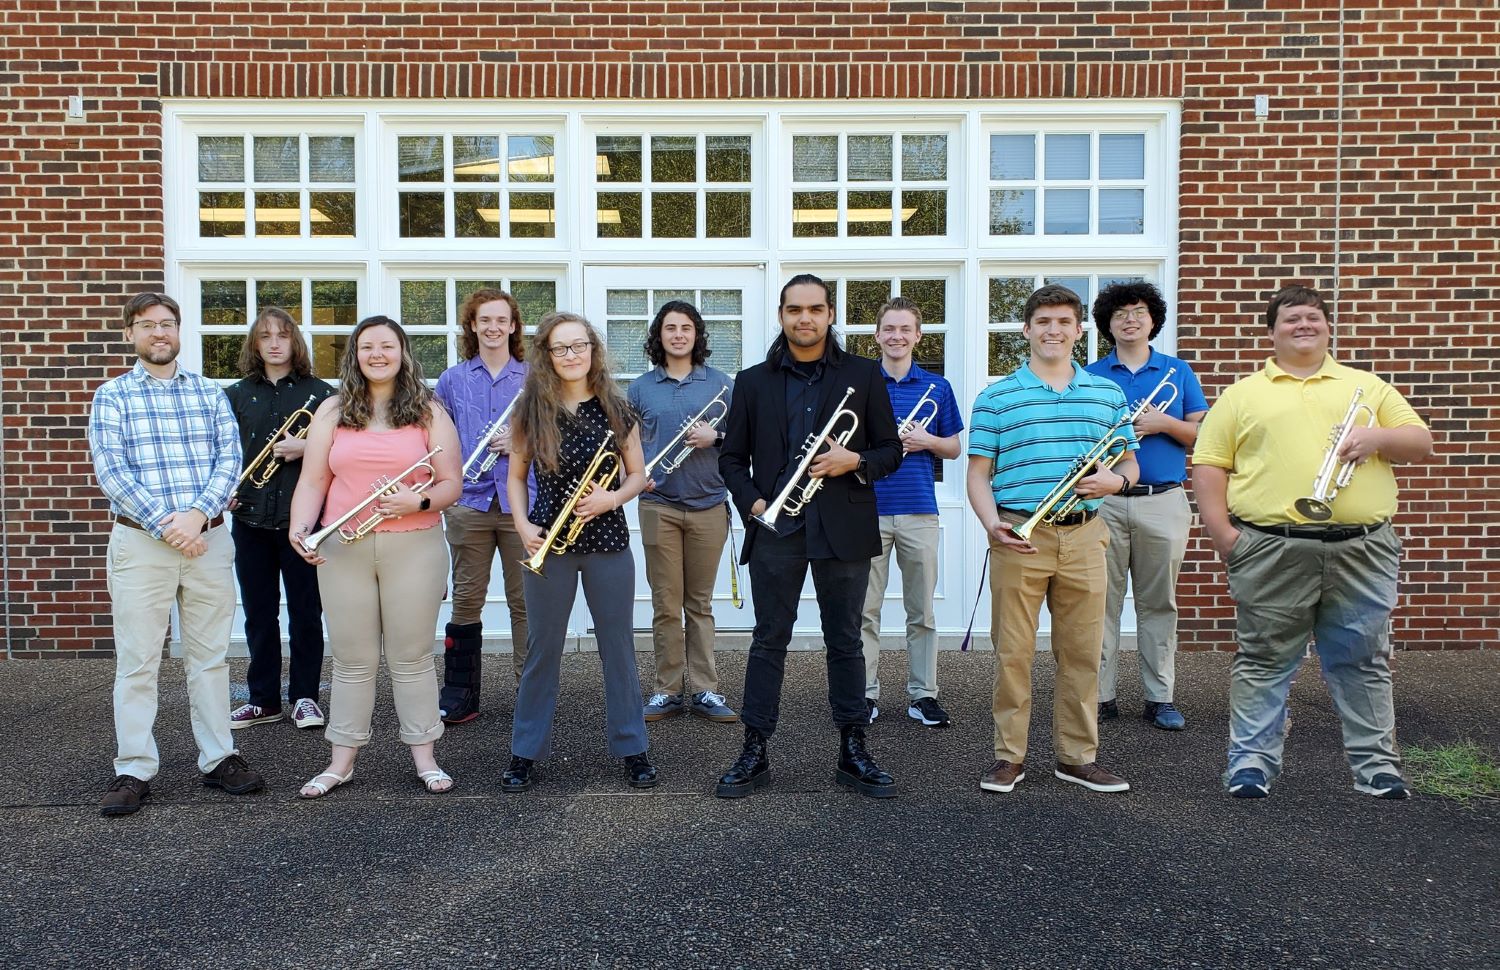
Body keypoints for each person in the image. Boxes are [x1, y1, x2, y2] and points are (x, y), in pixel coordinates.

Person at [1192, 284, 1432, 800]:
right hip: (1270, 546)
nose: (1303, 325)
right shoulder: (1243, 393)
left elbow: (1420, 442)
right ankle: (1250, 764)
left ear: (1328, 327)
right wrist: (1225, 537)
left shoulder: (1367, 386)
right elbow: (1209, 465)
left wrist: (1377, 438)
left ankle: (1377, 768)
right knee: (1263, 658)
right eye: (1291, 318)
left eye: (1313, 317)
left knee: (1363, 660)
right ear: (1271, 332)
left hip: (1363, 547)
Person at [715, 274, 904, 800]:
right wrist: (755, 504)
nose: (805, 318)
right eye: (795, 309)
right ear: (781, 315)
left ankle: (853, 749)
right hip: (777, 526)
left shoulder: (863, 375)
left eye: (815, 309)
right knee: (768, 639)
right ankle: (754, 748)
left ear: (829, 315)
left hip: (842, 526)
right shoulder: (752, 381)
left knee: (845, 640)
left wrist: (854, 461)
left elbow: (891, 450)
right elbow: (731, 458)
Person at [88, 291, 265, 817]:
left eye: (167, 323)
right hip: (142, 544)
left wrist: (196, 517)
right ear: (130, 334)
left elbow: (229, 460)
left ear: (178, 330)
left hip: (208, 541)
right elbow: (112, 472)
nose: (159, 333)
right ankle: (134, 767)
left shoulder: (210, 393)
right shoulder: (112, 396)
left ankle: (219, 757)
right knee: (138, 662)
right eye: (147, 325)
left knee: (210, 659)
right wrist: (171, 526)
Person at [965, 283, 1139, 796]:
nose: (1053, 330)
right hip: (1019, 534)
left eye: (1064, 322)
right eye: (1043, 321)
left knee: (1083, 652)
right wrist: (990, 522)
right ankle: (1009, 756)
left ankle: (1076, 758)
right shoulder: (996, 397)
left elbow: (1129, 462)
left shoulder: (1107, 394)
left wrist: (1116, 482)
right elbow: (977, 474)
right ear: (1026, 330)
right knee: (1013, 653)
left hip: (1085, 535)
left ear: (1079, 330)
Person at [288, 315, 463, 798]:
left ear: (403, 353)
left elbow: (452, 483)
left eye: (387, 346)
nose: (377, 354)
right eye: (367, 347)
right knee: (351, 659)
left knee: (411, 657)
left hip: (415, 545)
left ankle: (425, 757)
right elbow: (314, 481)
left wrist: (418, 501)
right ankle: (340, 762)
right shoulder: (332, 410)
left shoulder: (429, 411)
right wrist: (300, 529)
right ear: (355, 355)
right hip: (343, 547)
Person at [500, 312, 657, 792]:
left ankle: (633, 748)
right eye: (560, 348)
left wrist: (612, 498)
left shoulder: (617, 408)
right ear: (546, 355)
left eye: (579, 345)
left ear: (593, 350)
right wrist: (522, 525)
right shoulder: (530, 410)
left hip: (607, 541)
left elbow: (637, 474)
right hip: (549, 542)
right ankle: (525, 751)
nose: (571, 355)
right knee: (542, 649)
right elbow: (515, 478)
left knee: (618, 648)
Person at [1083, 282, 1208, 731]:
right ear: (1108, 324)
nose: (1130, 320)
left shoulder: (1177, 371)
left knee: (1159, 604)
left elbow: (1204, 436)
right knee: (1100, 603)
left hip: (1163, 500)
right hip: (1105, 501)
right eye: (1120, 314)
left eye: (1138, 311)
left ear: (1153, 319)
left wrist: (1163, 423)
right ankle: (1100, 696)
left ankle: (1160, 697)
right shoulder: (1090, 375)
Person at [224, 307, 335, 731]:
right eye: (265, 336)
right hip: (250, 518)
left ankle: (305, 697)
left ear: (295, 342)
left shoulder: (322, 395)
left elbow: (345, 450)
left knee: (306, 613)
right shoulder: (235, 395)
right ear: (254, 344)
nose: (274, 343)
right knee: (259, 613)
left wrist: (306, 448)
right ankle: (263, 700)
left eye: (282, 335)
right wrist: (226, 490)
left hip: (302, 521)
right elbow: (224, 452)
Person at [629, 300, 739, 724]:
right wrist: (635, 477)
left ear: (697, 335)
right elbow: (627, 445)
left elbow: (745, 440)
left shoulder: (721, 384)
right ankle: (667, 690)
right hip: (659, 505)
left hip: (709, 504)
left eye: (686, 328)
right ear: (659, 335)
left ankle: (706, 689)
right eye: (670, 328)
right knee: (665, 604)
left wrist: (717, 436)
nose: (678, 335)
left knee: (700, 604)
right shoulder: (641, 388)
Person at [858, 296, 963, 728]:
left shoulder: (938, 387)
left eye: (905, 329)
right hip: (868, 509)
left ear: (918, 336)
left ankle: (924, 695)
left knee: (922, 612)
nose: (896, 336)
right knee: (864, 611)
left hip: (919, 510)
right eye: (889, 329)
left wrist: (926, 441)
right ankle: (864, 694)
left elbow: (954, 448)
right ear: (877, 335)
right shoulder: (862, 383)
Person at [433, 288, 532, 724]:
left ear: (513, 326)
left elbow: (555, 432)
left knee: (524, 602)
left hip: (521, 502)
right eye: (484, 320)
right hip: (469, 502)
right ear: (472, 325)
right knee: (466, 599)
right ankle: (460, 693)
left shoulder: (535, 377)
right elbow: (437, 438)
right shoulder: (452, 380)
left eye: (501, 320)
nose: (493, 327)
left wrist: (522, 440)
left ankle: (529, 692)